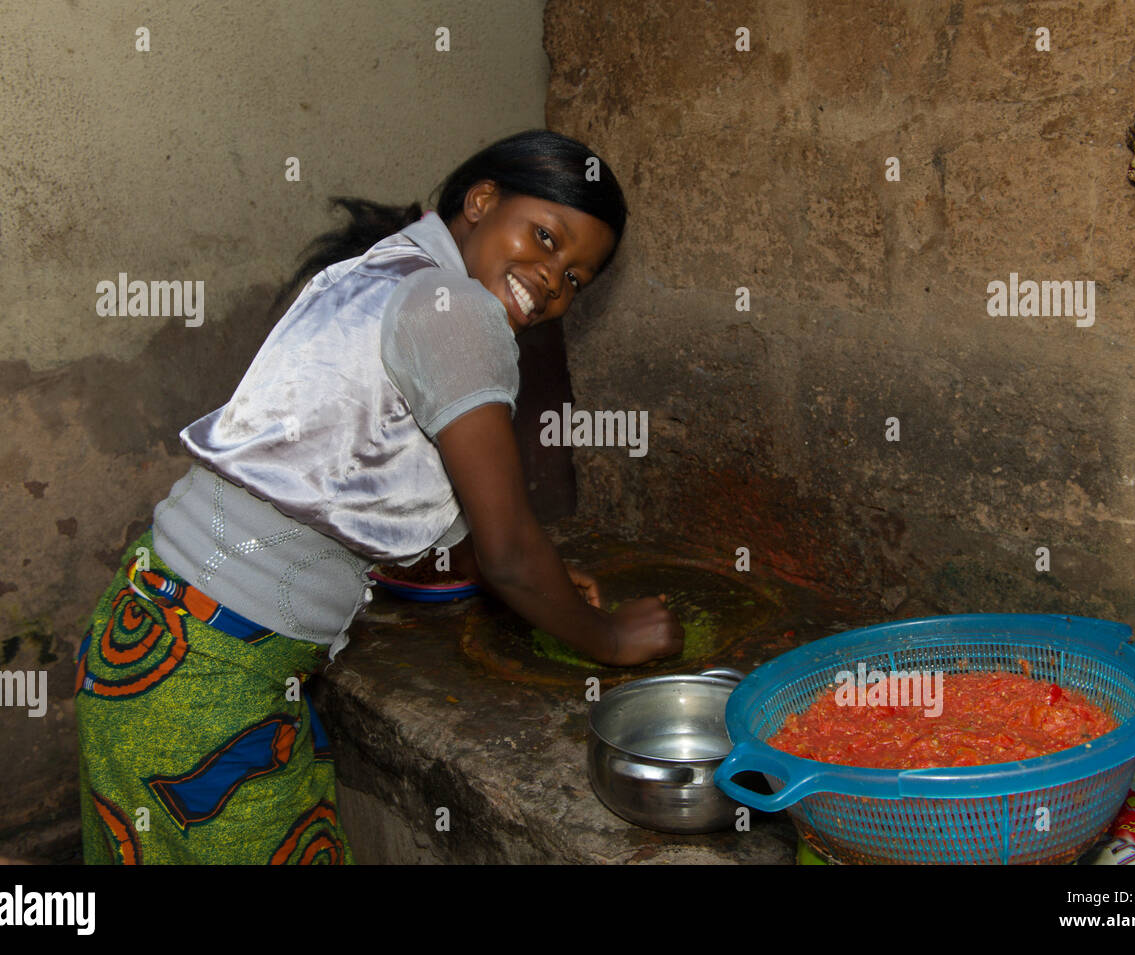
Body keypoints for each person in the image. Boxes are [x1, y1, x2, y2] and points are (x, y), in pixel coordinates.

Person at [74, 129, 685, 865]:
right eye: (546, 237)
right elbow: (509, 553)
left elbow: (347, 468)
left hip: (156, 633)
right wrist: (612, 639)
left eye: (577, 278)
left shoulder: (387, 272)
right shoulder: (453, 307)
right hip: (209, 676)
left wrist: (543, 581)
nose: (553, 279)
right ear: (482, 201)